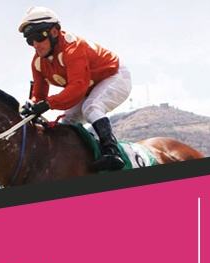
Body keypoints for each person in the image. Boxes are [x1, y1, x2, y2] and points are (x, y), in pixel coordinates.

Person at [17, 6, 131, 171]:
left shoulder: (73, 49)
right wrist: (32, 104)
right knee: (68, 121)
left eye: (38, 37)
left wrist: (48, 104)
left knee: (91, 107)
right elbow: (39, 95)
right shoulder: (38, 63)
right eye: (29, 40)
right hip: (89, 86)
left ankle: (112, 152)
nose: (35, 45)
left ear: (54, 32)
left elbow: (77, 88)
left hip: (114, 76)